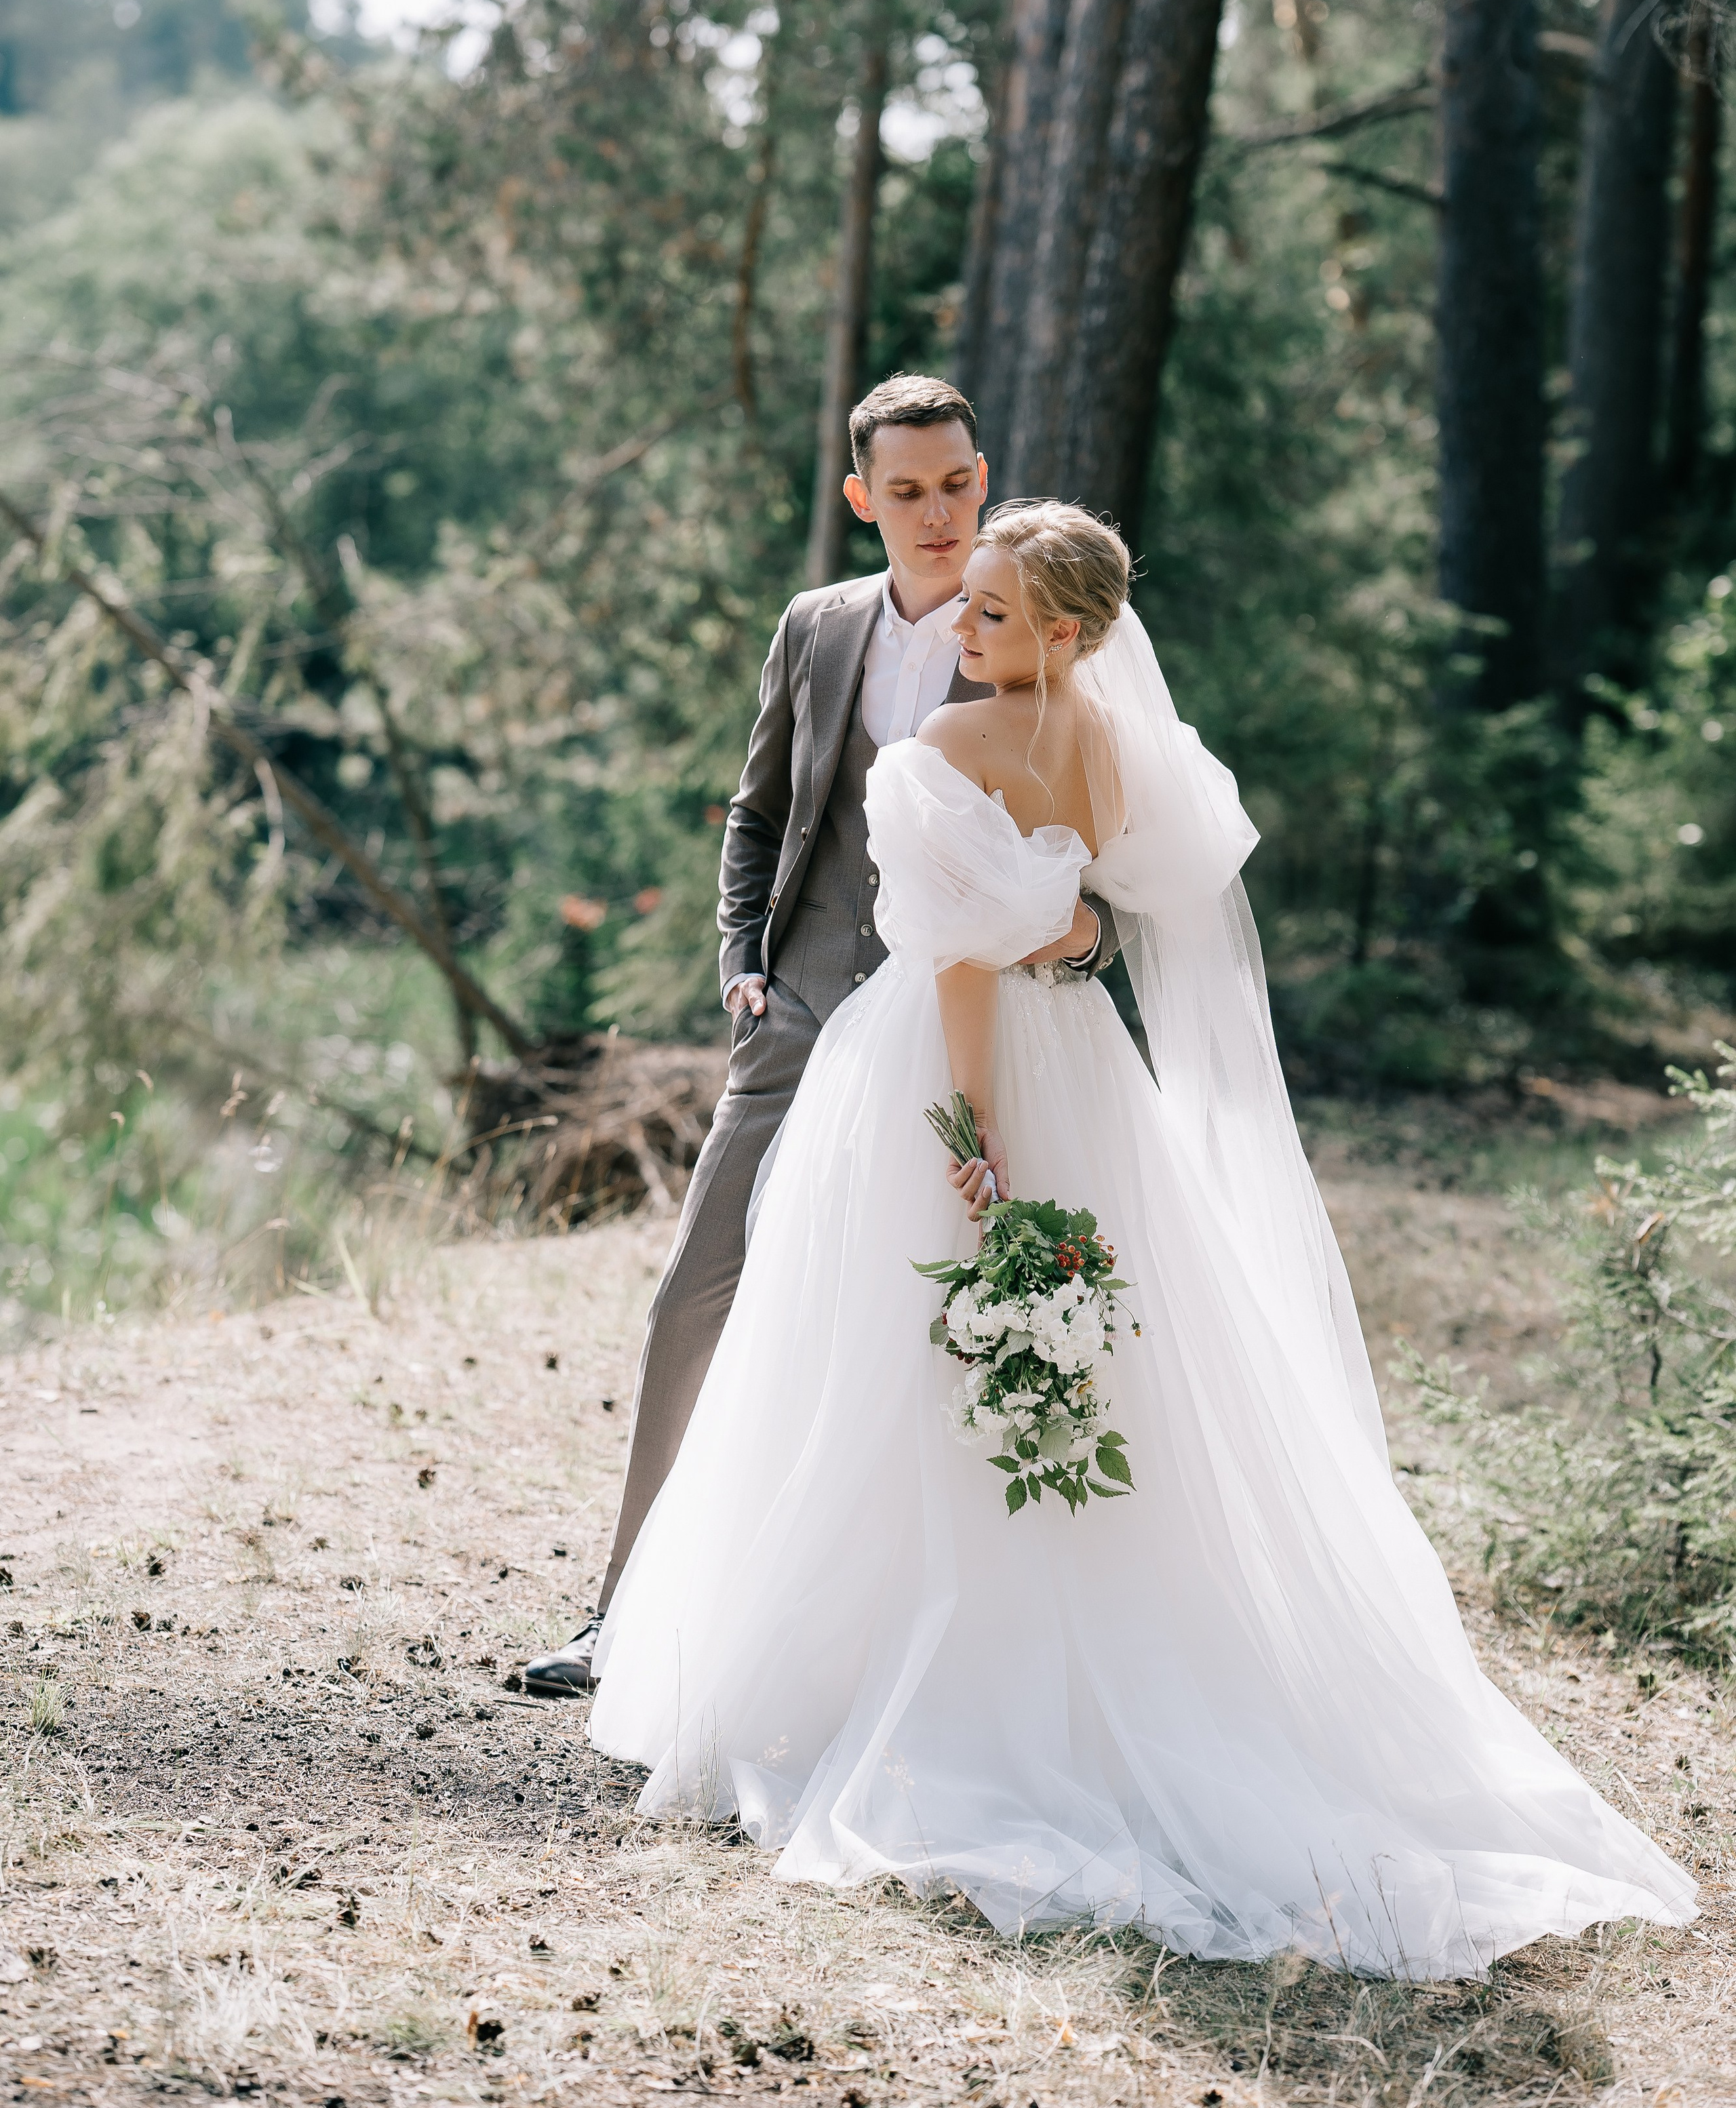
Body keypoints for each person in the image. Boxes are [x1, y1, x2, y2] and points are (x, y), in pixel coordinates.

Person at [586, 502, 1695, 1975]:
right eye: (963, 605)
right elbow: (1105, 917)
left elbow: (965, 967)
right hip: (1089, 1074)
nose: (959, 633)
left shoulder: (933, 760)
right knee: (1071, 1353)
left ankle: (899, 1680)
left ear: (1060, 630)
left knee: (892, 1350)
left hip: (945, 1064)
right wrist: (1075, 943)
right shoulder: (1119, 748)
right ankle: (1071, 1652)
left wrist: (969, 1134)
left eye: (986, 613)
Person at [524, 383, 1115, 1699]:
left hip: (968, 1038)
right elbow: (756, 812)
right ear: (863, 499)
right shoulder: (817, 627)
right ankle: (621, 1620)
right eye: (903, 492)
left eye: (955, 483)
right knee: (698, 1296)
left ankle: (928, 1655)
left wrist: (1073, 946)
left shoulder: (1038, 630)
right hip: (800, 1017)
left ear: (981, 476)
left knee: (917, 1326)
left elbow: (1102, 881)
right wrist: (741, 964)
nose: (936, 514)